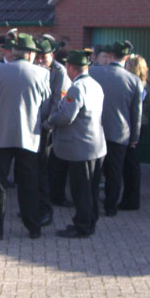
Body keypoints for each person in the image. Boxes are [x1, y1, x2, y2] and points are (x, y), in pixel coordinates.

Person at [0, 33, 51, 240]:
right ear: (29, 54)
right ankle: (33, 227)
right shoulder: (42, 73)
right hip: (29, 135)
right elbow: (46, 105)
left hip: (0, 133)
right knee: (29, 182)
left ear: (13, 52)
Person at [48, 49, 106, 237]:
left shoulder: (77, 88)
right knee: (91, 188)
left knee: (81, 189)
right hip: (96, 145)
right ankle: (90, 221)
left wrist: (50, 120)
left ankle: (82, 226)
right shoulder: (95, 84)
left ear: (71, 67)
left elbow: (66, 116)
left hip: (80, 147)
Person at [90, 41, 142, 215]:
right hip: (120, 133)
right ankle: (110, 207)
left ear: (111, 55)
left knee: (94, 171)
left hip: (95, 130)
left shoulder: (93, 72)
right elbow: (136, 113)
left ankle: (90, 205)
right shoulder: (134, 81)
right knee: (115, 172)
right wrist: (134, 138)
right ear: (125, 58)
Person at [35, 35, 71, 218]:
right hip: (33, 124)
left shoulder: (59, 71)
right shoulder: (34, 68)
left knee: (46, 166)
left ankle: (47, 203)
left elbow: (58, 100)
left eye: (44, 57)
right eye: (38, 57)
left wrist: (48, 123)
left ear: (52, 55)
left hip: (48, 125)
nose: (41, 60)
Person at [124, 53, 150, 209]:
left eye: (128, 65)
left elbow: (137, 108)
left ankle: (131, 200)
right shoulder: (141, 84)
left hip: (137, 125)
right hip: (138, 124)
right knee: (130, 164)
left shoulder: (140, 86)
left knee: (132, 164)